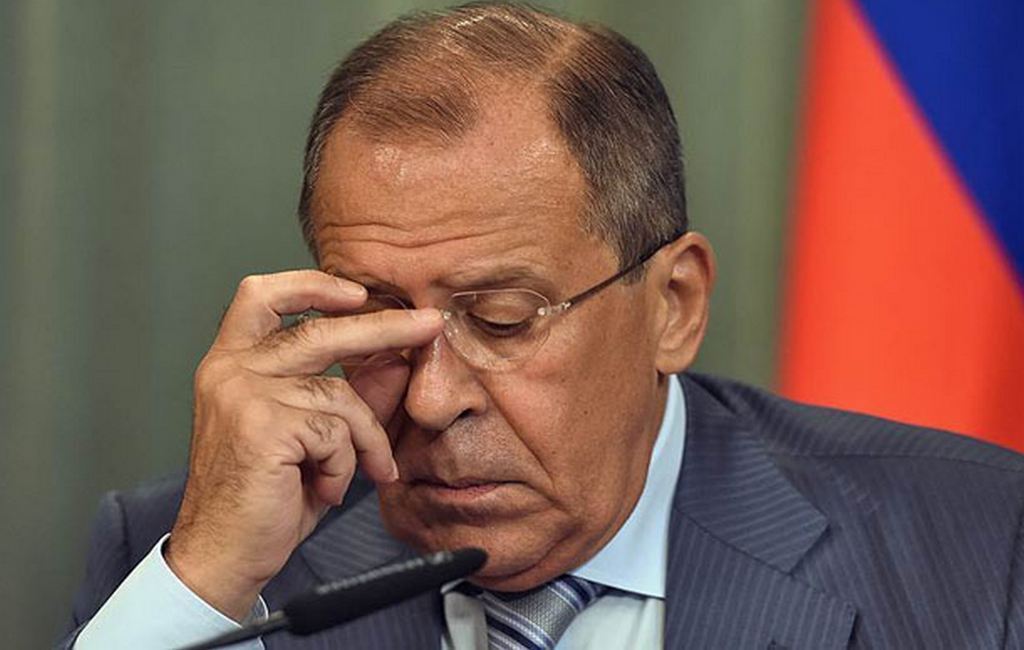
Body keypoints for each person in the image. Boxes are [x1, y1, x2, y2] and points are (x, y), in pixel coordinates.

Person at [62, 3, 1024, 649]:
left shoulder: (981, 546)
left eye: (503, 319)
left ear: (675, 306)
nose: (432, 400)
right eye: (383, 323)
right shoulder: (194, 556)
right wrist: (203, 587)